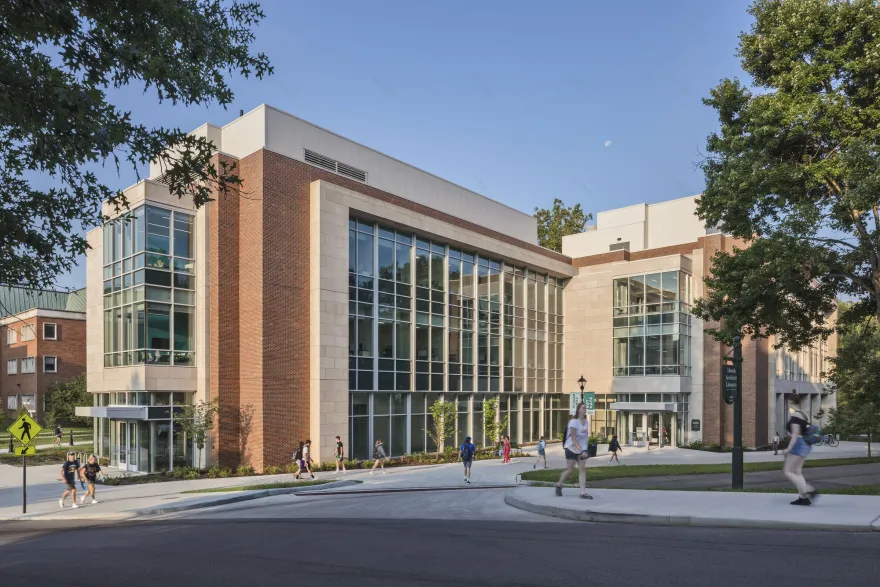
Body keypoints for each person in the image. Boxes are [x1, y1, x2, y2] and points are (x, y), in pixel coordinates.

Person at [783, 394, 818, 506]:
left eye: (788, 402)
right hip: (806, 444)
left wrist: (788, 448)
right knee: (797, 471)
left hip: (798, 444)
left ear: (790, 402)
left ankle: (809, 489)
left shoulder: (795, 416)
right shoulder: (803, 414)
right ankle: (803, 498)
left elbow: (795, 434)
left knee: (787, 471)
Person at [555, 402, 592, 499]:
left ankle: (583, 493)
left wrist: (585, 450)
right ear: (578, 409)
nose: (585, 410)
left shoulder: (586, 421)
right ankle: (559, 484)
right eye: (583, 408)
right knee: (570, 471)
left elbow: (584, 438)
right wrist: (582, 451)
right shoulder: (573, 422)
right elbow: (574, 439)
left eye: (585, 408)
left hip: (581, 449)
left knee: (582, 469)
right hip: (571, 448)